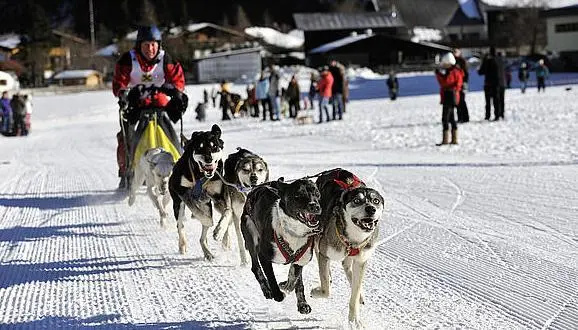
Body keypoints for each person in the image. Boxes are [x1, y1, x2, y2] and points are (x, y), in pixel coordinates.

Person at [112, 25, 187, 189]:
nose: (150, 49)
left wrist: (177, 93)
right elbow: (120, 81)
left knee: (171, 136)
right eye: (146, 45)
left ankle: (178, 166)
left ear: (159, 45)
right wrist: (123, 93)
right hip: (134, 105)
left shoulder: (165, 59)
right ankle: (127, 171)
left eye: (154, 44)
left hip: (159, 104)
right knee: (127, 138)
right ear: (139, 45)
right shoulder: (128, 59)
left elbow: (177, 79)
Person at [435, 52, 463, 145]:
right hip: (453, 97)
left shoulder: (451, 72)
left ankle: (445, 140)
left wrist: (438, 75)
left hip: (449, 97)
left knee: (445, 118)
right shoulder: (457, 71)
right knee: (451, 118)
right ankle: (454, 139)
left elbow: (445, 83)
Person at [478, 46, 505, 121]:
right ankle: (501, 114)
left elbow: (481, 71)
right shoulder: (501, 59)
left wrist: (484, 60)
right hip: (502, 82)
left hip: (491, 83)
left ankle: (490, 115)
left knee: (490, 100)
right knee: (501, 100)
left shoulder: (489, 60)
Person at [453, 48, 470, 123]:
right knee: (457, 101)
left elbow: (466, 73)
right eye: (453, 52)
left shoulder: (462, 61)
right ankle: (460, 117)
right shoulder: (453, 61)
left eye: (456, 52)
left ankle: (465, 118)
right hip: (455, 84)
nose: (454, 53)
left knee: (462, 101)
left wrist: (464, 83)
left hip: (462, 84)